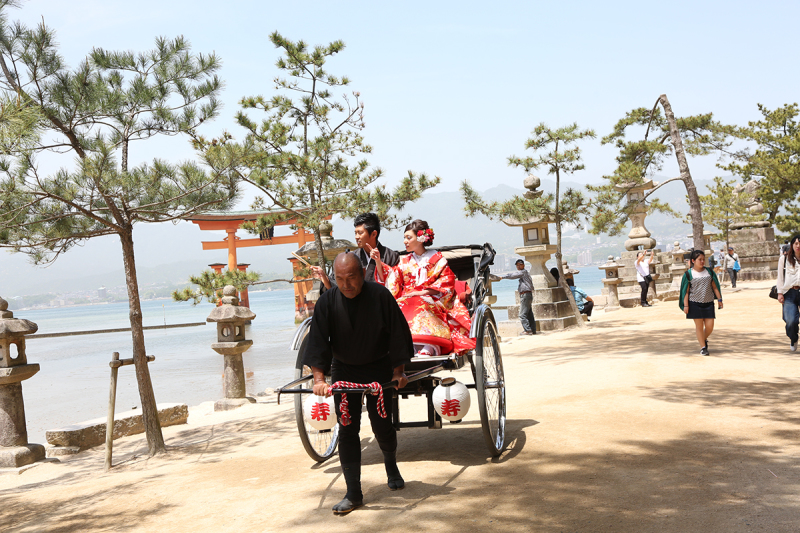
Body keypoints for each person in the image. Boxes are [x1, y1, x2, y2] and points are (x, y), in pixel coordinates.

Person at [304, 253, 414, 515]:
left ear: (362, 272)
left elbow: (397, 335)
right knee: (347, 429)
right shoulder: (327, 302)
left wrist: (398, 372)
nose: (346, 284)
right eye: (339, 279)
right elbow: (318, 341)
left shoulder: (379, 296)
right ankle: (353, 492)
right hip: (344, 368)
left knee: (381, 425)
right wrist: (319, 379)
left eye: (351, 277)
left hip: (378, 366)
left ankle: (391, 463)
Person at [384, 219, 476, 356]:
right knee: (397, 305)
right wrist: (379, 264)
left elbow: (447, 281)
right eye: (404, 238)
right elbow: (393, 279)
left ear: (420, 239)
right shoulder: (404, 261)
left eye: (409, 237)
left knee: (422, 302)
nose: (405, 241)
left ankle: (431, 345)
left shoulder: (437, 259)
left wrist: (422, 292)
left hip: (433, 297)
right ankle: (412, 345)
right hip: (409, 297)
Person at [311, 212, 400, 289]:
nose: (356, 237)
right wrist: (324, 277)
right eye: (355, 233)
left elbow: (396, 285)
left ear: (373, 234)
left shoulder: (391, 256)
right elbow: (339, 286)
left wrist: (379, 263)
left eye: (360, 233)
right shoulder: (352, 258)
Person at [679, 249, 723, 356]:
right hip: (694, 303)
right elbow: (686, 291)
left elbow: (715, 286)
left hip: (708, 303)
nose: (702, 261)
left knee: (709, 326)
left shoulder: (709, 272)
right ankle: (703, 347)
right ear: (693, 260)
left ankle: (702, 339)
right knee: (699, 326)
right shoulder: (689, 274)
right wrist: (686, 305)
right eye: (700, 259)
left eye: (703, 259)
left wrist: (720, 299)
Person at [496, 259, 536, 335]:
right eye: (517, 265)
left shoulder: (523, 272)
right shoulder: (525, 273)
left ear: (523, 265)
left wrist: (502, 277)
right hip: (528, 294)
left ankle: (527, 330)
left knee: (522, 315)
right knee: (529, 314)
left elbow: (512, 275)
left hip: (525, 295)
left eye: (520, 264)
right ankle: (533, 329)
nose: (518, 266)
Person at [776, 235, 800, 352]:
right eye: (795, 243)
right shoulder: (784, 259)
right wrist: (780, 293)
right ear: (792, 245)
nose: (798, 246)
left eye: (799, 243)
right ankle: (793, 337)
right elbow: (780, 277)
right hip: (789, 292)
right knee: (790, 321)